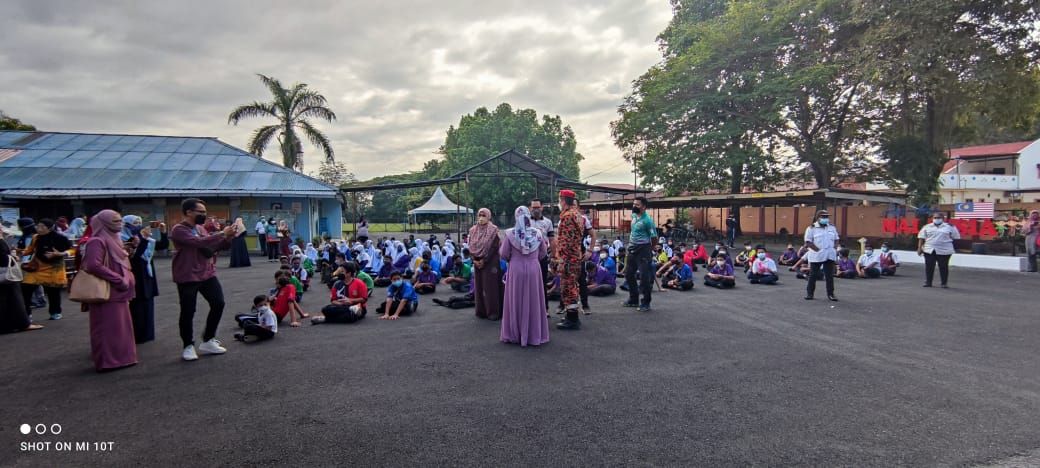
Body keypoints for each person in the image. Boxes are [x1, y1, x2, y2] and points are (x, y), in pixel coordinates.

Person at [170, 198, 236, 361]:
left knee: (218, 303)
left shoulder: (200, 228)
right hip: (187, 275)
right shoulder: (179, 229)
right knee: (188, 311)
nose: (204, 215)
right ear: (188, 212)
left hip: (207, 273)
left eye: (205, 212)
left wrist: (228, 237)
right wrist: (222, 233)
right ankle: (188, 345)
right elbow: (198, 242)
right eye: (200, 212)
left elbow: (212, 246)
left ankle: (208, 339)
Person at [80, 210, 138, 372]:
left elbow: (119, 260)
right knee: (106, 328)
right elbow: (93, 265)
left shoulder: (115, 239)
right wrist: (118, 279)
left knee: (120, 327)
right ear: (104, 223)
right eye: (115, 221)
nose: (120, 224)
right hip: (106, 291)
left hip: (119, 292)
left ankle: (123, 358)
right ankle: (108, 361)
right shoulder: (96, 241)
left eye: (120, 220)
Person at [499, 205, 550, 346]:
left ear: (516, 217)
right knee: (534, 301)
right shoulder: (538, 233)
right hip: (534, 268)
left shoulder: (510, 234)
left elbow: (504, 254)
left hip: (516, 269)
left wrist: (515, 258)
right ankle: (534, 334)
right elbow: (543, 253)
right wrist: (532, 259)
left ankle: (515, 334)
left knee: (515, 300)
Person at [19, 218, 72, 320]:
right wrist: (20, 252)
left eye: (42, 226)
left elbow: (72, 250)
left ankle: (55, 312)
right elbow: (30, 250)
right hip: (37, 268)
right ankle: (27, 314)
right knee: (26, 288)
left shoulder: (61, 238)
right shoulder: (35, 237)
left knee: (53, 292)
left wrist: (60, 253)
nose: (39, 228)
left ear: (50, 228)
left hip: (54, 269)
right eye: (38, 226)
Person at [127, 220, 169, 344]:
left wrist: (163, 233)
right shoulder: (124, 239)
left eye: (139, 222)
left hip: (147, 275)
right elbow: (135, 256)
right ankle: (136, 335)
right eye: (134, 223)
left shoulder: (146, 239)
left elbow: (162, 246)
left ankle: (147, 334)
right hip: (135, 276)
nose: (138, 226)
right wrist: (143, 239)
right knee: (137, 307)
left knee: (148, 305)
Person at [0, 230, 43, 333]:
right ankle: (22, 323)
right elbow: (3, 259)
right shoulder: (1, 242)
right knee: (15, 300)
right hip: (6, 276)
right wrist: (12, 257)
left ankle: (5, 325)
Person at [555, 190, 585, 329]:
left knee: (568, 288)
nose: (559, 203)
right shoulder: (577, 214)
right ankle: (570, 315)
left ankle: (572, 319)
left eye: (560, 200)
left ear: (563, 200)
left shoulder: (567, 216)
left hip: (568, 259)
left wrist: (561, 260)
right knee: (572, 286)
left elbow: (566, 242)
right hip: (575, 256)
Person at [468, 207, 504, 321]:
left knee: (490, 287)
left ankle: (493, 312)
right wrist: (474, 260)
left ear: (489, 217)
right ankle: (481, 311)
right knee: (479, 286)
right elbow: (470, 247)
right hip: (477, 262)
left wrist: (484, 260)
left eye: (484, 216)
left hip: (491, 262)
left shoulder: (493, 230)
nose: (481, 218)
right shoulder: (473, 230)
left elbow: (495, 247)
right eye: (480, 215)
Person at [623, 196, 657, 313]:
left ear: (644, 207)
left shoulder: (648, 221)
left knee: (644, 277)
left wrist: (649, 250)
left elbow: (654, 238)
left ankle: (646, 303)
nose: (634, 206)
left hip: (643, 250)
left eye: (637, 205)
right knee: (628, 274)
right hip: (632, 248)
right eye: (634, 204)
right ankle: (633, 299)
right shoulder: (633, 216)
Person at [803, 209, 840, 301]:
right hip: (817, 255)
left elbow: (836, 239)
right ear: (818, 218)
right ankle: (810, 294)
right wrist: (818, 250)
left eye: (827, 217)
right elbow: (808, 242)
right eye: (824, 217)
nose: (826, 218)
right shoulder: (811, 228)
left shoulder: (832, 227)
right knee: (813, 275)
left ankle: (831, 294)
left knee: (829, 276)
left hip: (829, 254)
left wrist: (834, 248)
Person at [917, 212, 960, 288]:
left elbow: (955, 237)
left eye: (939, 218)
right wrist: (919, 248)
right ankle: (928, 282)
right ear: (932, 218)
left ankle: (944, 283)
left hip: (944, 250)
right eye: (935, 218)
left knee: (943, 266)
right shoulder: (927, 227)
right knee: (929, 266)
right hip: (929, 249)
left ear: (943, 218)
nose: (937, 219)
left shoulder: (950, 227)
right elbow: (921, 238)